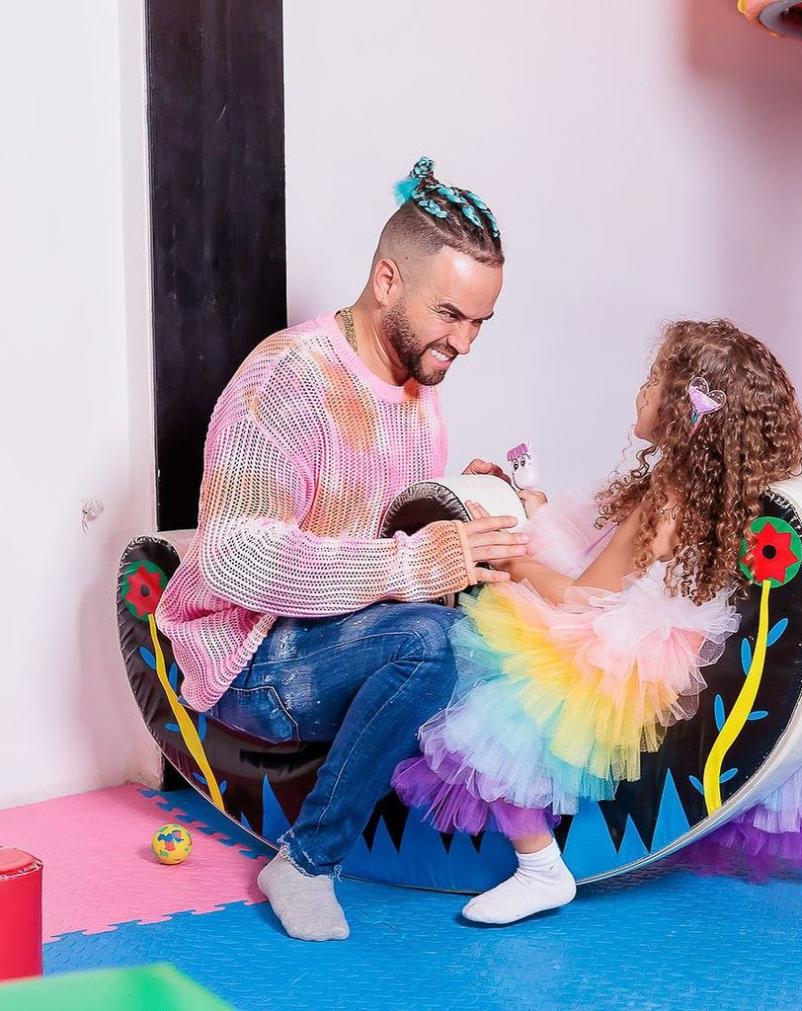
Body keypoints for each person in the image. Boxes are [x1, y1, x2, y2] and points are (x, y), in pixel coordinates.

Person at [393, 318, 802, 925]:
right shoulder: (701, 488)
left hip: (617, 639)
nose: (639, 392)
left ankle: (539, 867)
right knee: (514, 594)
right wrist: (534, 509)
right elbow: (598, 550)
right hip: (652, 624)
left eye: (653, 380)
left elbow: (580, 598)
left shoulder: (667, 500)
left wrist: (508, 561)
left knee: (496, 709)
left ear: (684, 412)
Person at [156, 157, 528, 942]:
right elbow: (233, 558)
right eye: (451, 314)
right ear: (388, 280)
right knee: (432, 643)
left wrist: (464, 500)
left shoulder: (418, 390)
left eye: (479, 324)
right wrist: (409, 564)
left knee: (500, 618)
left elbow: (374, 514)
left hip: (335, 630)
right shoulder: (288, 379)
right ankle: (307, 861)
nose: (463, 342)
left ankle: (539, 851)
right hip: (250, 650)